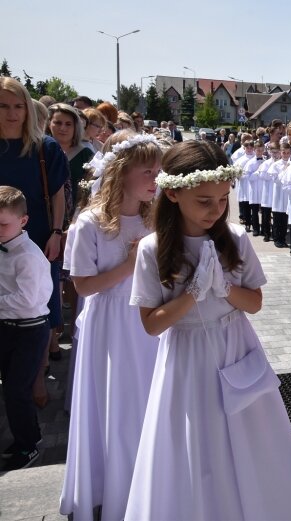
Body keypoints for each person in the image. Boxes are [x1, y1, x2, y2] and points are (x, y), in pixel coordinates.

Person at [125, 140, 291, 520]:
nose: (216, 210)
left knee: (253, 438)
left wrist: (225, 288)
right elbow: (151, 325)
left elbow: (255, 303)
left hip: (235, 344)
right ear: (172, 193)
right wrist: (192, 294)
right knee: (199, 442)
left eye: (222, 199)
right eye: (204, 201)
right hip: (187, 354)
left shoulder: (235, 239)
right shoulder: (153, 249)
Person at [59, 132, 161, 520]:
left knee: (144, 400)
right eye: (148, 170)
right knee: (114, 403)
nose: (156, 177)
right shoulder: (91, 223)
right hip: (111, 323)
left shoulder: (155, 218)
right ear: (121, 173)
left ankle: (143, 479)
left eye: (159, 169)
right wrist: (129, 266)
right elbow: (83, 284)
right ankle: (111, 487)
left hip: (148, 320)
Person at [0, 77, 68, 408]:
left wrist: (56, 232)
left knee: (39, 305)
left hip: (39, 237)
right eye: (3, 106)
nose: (12, 114)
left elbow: (58, 195)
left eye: (17, 106)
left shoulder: (45, 147)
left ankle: (38, 374)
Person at [0, 186, 52, 471]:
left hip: (29, 330)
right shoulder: (5, 245)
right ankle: (25, 435)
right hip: (8, 328)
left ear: (23, 221)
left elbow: (25, 301)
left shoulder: (28, 257)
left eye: (2, 224)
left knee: (18, 390)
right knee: (10, 386)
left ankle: (29, 443)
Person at [270, 143, 291, 248]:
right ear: (280, 152)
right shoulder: (275, 165)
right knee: (277, 219)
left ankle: (283, 239)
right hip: (278, 195)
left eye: (288, 153)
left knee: (284, 219)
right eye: (284, 152)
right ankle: (276, 239)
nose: (286, 155)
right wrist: (284, 170)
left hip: (287, 196)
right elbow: (276, 180)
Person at [258, 142, 281, 242]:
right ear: (269, 152)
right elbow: (262, 175)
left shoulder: (282, 164)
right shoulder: (266, 163)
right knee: (266, 215)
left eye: (277, 152)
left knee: (276, 216)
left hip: (277, 194)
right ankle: (266, 234)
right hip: (268, 193)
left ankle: (276, 235)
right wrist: (271, 173)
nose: (275, 154)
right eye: (273, 152)